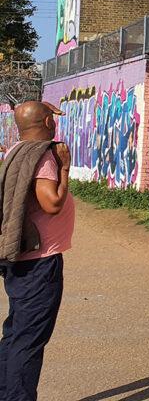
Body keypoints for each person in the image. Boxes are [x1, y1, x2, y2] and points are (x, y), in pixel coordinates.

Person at [0, 101, 73, 400]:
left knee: (16, 333)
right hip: (38, 264)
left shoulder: (15, 150)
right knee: (29, 339)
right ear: (47, 123)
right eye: (51, 119)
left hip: (21, 260)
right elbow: (51, 203)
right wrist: (65, 167)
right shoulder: (43, 157)